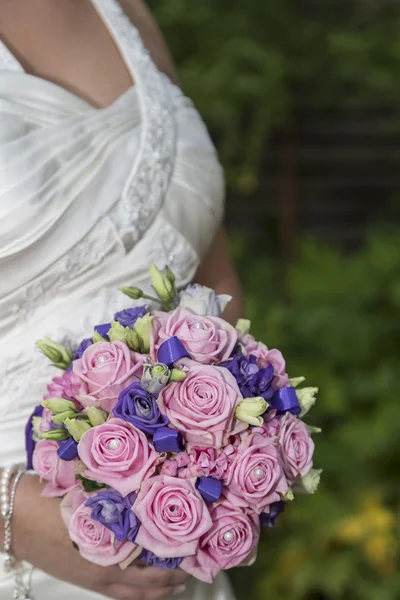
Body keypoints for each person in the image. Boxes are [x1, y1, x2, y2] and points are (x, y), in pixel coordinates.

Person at [0, 1, 243, 599]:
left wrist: (226, 458)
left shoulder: (126, 11)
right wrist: (10, 518)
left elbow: (216, 289)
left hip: (177, 558)